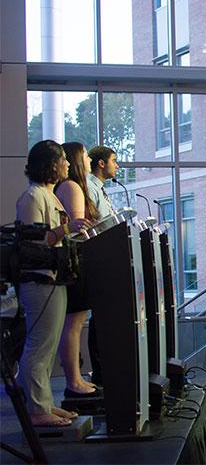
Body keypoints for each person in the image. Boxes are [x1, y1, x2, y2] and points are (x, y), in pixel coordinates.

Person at [15, 141, 89, 427]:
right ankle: (36, 411)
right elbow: (34, 242)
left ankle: (43, 403)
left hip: (53, 279)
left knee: (45, 348)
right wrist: (67, 229)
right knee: (39, 346)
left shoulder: (49, 195)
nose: (69, 165)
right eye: (63, 160)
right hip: (39, 280)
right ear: (51, 164)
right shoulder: (33, 196)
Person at [54, 142, 101, 398]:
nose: (85, 160)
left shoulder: (70, 186)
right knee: (74, 324)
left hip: (77, 260)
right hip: (76, 260)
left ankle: (76, 378)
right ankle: (74, 380)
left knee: (74, 323)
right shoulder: (72, 186)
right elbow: (78, 229)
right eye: (84, 155)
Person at [85, 144, 119, 385]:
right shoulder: (89, 186)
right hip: (97, 258)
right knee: (99, 319)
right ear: (101, 163)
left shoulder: (102, 189)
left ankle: (107, 371)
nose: (117, 166)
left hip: (109, 256)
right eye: (114, 161)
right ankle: (99, 373)